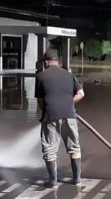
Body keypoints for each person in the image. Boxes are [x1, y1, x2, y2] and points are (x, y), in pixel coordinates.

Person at [34, 48, 85, 188]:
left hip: (50, 115)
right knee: (74, 147)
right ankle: (77, 179)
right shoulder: (69, 75)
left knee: (50, 148)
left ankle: (53, 181)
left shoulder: (40, 76)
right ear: (57, 62)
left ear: (45, 62)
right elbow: (81, 93)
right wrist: (69, 103)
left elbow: (40, 100)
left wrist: (46, 112)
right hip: (70, 115)